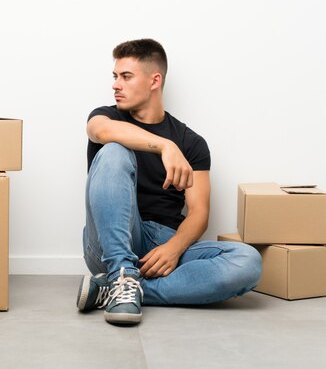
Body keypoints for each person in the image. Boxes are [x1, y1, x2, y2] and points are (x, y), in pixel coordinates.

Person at [77, 38, 262, 325]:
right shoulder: (107, 117)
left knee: (247, 262)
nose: (116, 84)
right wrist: (164, 146)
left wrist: (174, 248)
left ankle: (117, 288)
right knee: (113, 150)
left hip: (164, 243)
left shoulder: (192, 143)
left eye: (126, 77)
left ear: (155, 80)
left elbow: (199, 212)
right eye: (115, 76)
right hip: (111, 240)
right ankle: (121, 273)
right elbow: (100, 131)